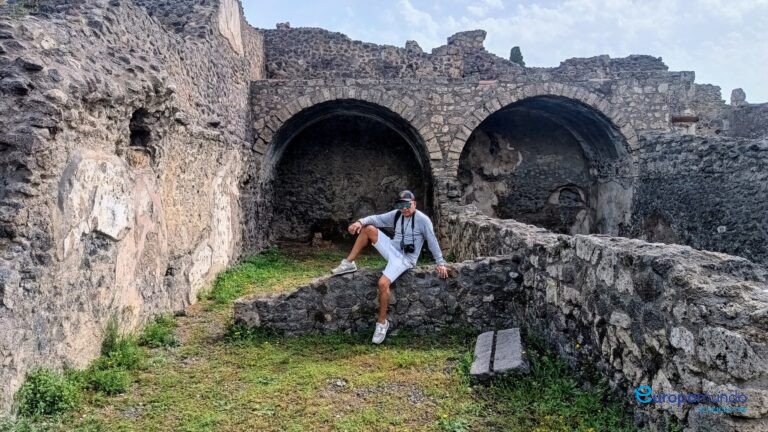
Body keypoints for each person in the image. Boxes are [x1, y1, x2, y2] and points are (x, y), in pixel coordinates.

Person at [331, 190, 449, 344]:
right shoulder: (397, 214)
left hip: (406, 259)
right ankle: (349, 263)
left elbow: (432, 241)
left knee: (382, 283)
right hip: (393, 249)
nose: (404, 209)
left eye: (407, 205)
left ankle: (382, 323)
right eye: (401, 205)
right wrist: (359, 222)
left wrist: (440, 263)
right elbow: (376, 219)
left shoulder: (423, 220)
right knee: (368, 229)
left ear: (414, 204)